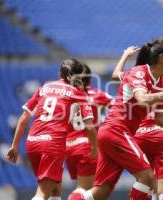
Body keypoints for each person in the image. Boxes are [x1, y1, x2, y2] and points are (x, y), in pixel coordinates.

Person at [73, 37, 163, 200]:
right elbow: (142, 99)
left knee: (101, 192)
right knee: (147, 177)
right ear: (162, 58)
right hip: (116, 130)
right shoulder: (139, 72)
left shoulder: (162, 82)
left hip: (116, 134)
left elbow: (158, 117)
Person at [7, 59, 97, 200]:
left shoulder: (45, 87)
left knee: (55, 189)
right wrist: (95, 147)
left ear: (60, 73)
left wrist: (14, 146)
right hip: (53, 144)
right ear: (79, 76)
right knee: (42, 193)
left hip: (32, 142)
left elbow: (24, 118)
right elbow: (90, 125)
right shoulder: (78, 92)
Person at [67, 64, 112, 199]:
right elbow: (117, 105)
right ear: (89, 79)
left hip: (69, 147)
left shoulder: (66, 95)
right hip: (88, 146)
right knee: (86, 190)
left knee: (84, 188)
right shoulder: (96, 94)